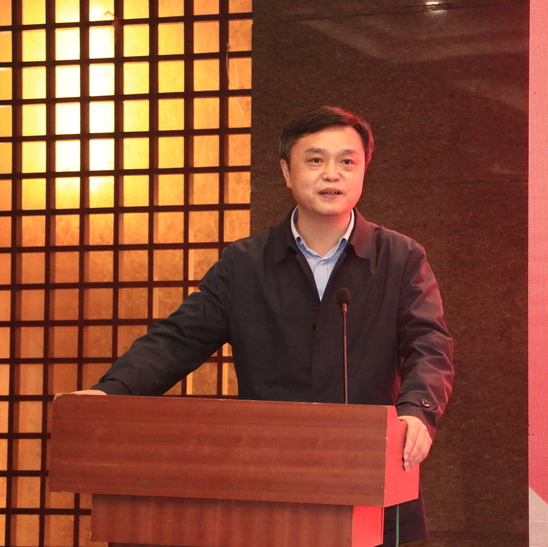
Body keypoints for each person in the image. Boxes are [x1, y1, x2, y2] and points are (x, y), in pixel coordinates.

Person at [74, 106, 455, 545]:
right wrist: (111, 393)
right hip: (268, 483)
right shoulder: (245, 264)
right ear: (286, 172)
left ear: (364, 170)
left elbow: (430, 343)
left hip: (370, 479)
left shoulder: (400, 257)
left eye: (347, 161)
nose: (332, 173)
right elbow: (178, 338)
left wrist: (417, 411)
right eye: (315, 160)